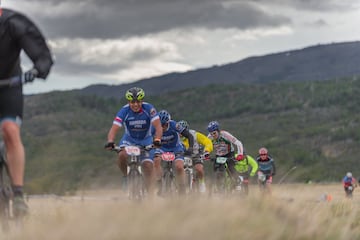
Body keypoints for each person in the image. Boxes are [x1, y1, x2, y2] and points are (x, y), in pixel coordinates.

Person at [0, 7, 54, 217]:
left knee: (10, 130)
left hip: (9, 86)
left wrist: (38, 69)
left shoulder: (13, 22)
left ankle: (19, 194)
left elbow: (40, 53)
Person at [104, 87, 163, 197]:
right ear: (128, 102)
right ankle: (126, 177)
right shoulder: (124, 111)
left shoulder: (149, 109)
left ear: (142, 101)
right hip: (129, 140)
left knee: (148, 165)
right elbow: (114, 128)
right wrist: (110, 141)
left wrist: (157, 139)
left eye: (138, 102)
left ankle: (150, 194)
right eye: (132, 102)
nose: (135, 105)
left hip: (146, 140)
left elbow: (158, 127)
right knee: (121, 155)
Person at [153, 110, 195, 196]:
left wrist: (190, 148)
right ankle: (160, 184)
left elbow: (189, 135)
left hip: (176, 148)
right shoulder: (154, 127)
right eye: (161, 125)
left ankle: (182, 188)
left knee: (179, 167)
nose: (163, 127)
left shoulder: (174, 125)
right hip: (162, 148)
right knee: (156, 161)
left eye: (165, 125)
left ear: (168, 122)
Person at [207, 121, 245, 189]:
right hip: (219, 155)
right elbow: (207, 146)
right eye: (211, 133)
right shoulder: (209, 137)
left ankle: (237, 181)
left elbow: (238, 143)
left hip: (229, 153)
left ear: (218, 131)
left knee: (231, 167)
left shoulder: (225, 134)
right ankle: (219, 187)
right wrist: (206, 154)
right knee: (217, 169)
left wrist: (240, 154)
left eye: (214, 133)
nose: (213, 135)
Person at [178, 120, 213, 193]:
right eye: (179, 131)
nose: (181, 134)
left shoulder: (194, 134)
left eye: (182, 131)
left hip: (195, 155)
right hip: (182, 156)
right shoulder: (175, 136)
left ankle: (202, 183)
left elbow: (207, 141)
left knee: (199, 169)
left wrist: (207, 150)